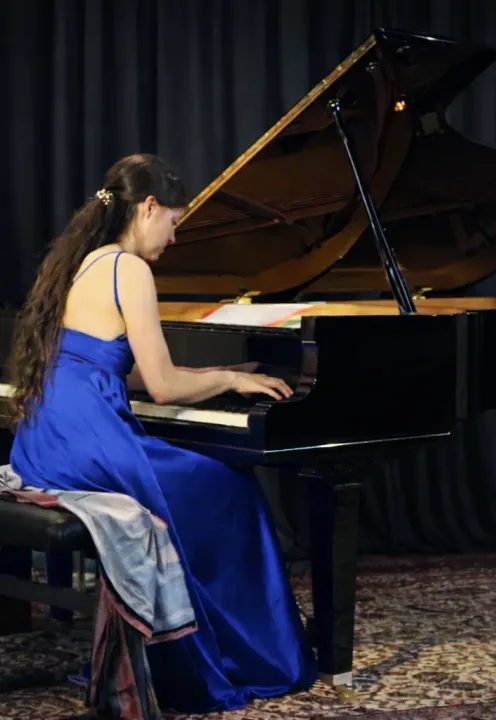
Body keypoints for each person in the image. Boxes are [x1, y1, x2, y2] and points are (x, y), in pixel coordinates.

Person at [6, 154, 317, 712]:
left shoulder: (84, 260)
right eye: (174, 221)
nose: (174, 238)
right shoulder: (130, 269)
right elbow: (165, 388)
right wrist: (227, 378)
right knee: (232, 491)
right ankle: (244, 651)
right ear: (149, 207)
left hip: (47, 438)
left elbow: (114, 367)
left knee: (200, 484)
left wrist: (221, 373)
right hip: (90, 441)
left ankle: (202, 630)